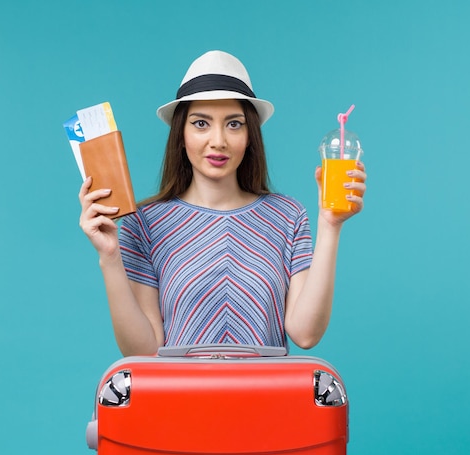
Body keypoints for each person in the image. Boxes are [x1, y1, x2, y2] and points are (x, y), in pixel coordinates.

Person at [79, 50, 367, 356]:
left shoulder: (288, 216)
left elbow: (306, 334)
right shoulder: (145, 224)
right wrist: (110, 258)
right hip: (180, 401)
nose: (218, 140)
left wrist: (330, 225)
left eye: (233, 124)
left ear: (250, 136)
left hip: (267, 401)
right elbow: (144, 351)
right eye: (201, 124)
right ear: (181, 135)